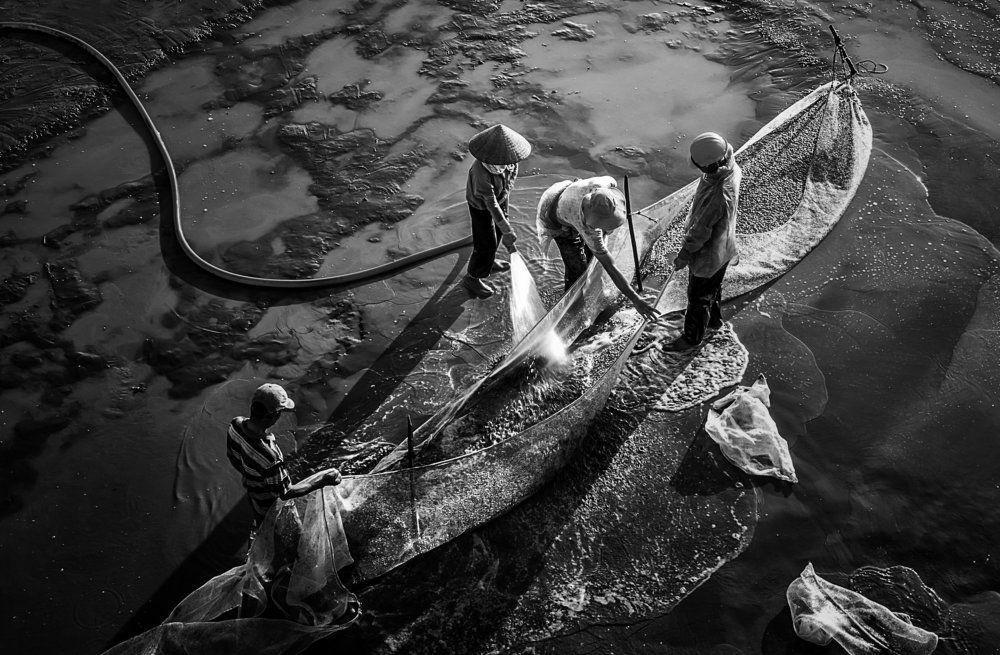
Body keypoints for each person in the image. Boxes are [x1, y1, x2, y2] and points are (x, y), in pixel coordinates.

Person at [227, 383, 360, 623]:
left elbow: (233, 458)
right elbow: (286, 493)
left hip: (255, 499)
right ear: (272, 415)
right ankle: (302, 590)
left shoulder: (235, 426)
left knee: (272, 539)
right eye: (279, 413)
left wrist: (254, 480)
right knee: (299, 546)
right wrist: (323, 479)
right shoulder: (269, 457)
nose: (280, 417)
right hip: (275, 508)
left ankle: (279, 568)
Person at [536, 175, 658, 319]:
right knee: (578, 271)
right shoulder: (583, 223)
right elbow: (609, 265)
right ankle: (573, 311)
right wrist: (635, 299)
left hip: (570, 193)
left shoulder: (604, 184)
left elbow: (612, 182)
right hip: (554, 214)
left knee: (592, 257)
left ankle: (595, 289)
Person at [672, 131, 742, 347]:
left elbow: (700, 231)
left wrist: (684, 255)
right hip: (725, 246)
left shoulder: (719, 194)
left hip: (709, 252)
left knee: (698, 296)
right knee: (713, 287)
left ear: (706, 166)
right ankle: (714, 321)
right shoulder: (730, 166)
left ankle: (691, 339)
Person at [462, 124, 532, 299]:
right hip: (481, 206)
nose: (510, 163)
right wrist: (507, 228)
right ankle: (473, 277)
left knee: (499, 234)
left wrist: (504, 226)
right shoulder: (480, 173)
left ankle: (490, 261)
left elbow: (508, 184)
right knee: (485, 243)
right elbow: (490, 203)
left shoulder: (510, 163)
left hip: (501, 197)